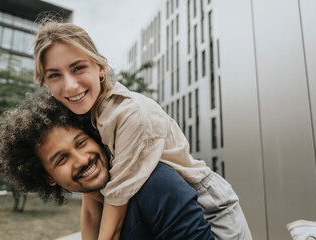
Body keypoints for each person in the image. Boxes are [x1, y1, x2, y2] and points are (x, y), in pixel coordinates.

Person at [33, 19, 252, 240]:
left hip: (207, 207)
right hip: (158, 209)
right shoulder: (83, 117)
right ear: (46, 84)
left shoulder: (132, 114)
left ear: (100, 67)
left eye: (78, 68)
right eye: (55, 75)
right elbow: (90, 204)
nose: (70, 85)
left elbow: (116, 207)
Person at [0, 93, 214, 240]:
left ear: (94, 136)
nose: (82, 160)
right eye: (61, 159)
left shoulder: (156, 184)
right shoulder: (94, 205)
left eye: (81, 143)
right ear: (47, 177)